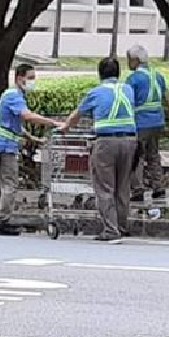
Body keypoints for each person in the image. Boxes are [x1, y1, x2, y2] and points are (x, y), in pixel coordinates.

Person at [65, 57, 138, 241]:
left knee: (105, 187)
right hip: (130, 141)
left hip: (106, 142)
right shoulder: (128, 89)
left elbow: (77, 115)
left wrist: (64, 127)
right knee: (123, 187)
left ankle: (111, 230)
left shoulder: (95, 92)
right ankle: (121, 226)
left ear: (100, 74)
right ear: (118, 73)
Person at [0, 64, 62, 236]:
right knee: (9, 185)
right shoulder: (14, 96)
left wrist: (33, 139)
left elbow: (16, 125)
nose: (32, 81)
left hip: (0, 144)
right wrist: (52, 122)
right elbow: (27, 116)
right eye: (30, 78)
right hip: (5, 146)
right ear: (19, 78)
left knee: (0, 186)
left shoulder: (10, 95)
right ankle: (2, 221)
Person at [125, 44, 169, 204]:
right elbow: (167, 98)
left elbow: (127, 101)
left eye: (129, 60)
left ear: (135, 60)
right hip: (157, 121)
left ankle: (137, 190)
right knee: (153, 155)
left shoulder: (133, 79)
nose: (127, 63)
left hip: (141, 123)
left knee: (136, 156)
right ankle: (158, 187)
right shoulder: (157, 75)